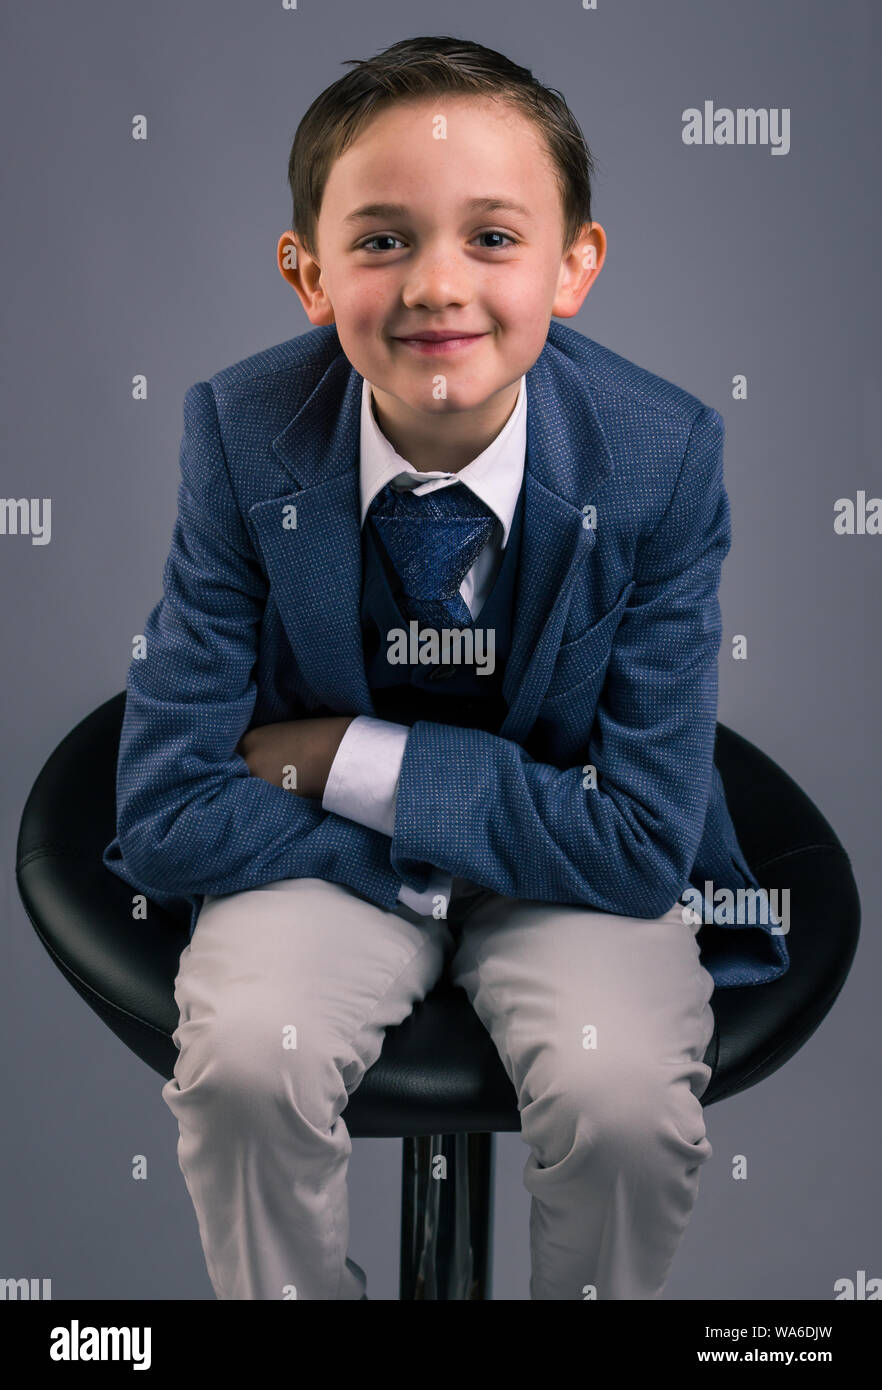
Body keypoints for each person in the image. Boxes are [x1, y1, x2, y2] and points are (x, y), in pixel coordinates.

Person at [103, 34, 789, 1300]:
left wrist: (346, 758)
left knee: (626, 1099)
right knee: (249, 1061)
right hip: (335, 853)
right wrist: (418, 860)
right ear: (307, 276)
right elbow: (161, 810)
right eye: (379, 240)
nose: (436, 286)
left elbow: (638, 839)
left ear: (574, 266)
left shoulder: (662, 456)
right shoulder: (243, 433)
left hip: (570, 863)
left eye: (491, 237)